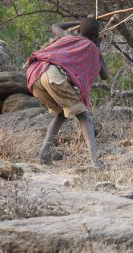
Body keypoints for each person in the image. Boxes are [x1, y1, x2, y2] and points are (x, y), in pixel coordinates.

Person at [25, 15, 109, 169]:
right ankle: (95, 162)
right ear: (96, 36)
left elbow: (55, 25)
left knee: (60, 114)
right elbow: (105, 75)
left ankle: (44, 154)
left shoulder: (69, 36)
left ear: (79, 30)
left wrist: (79, 22)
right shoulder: (93, 48)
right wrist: (98, 46)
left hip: (36, 74)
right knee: (84, 116)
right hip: (53, 75)